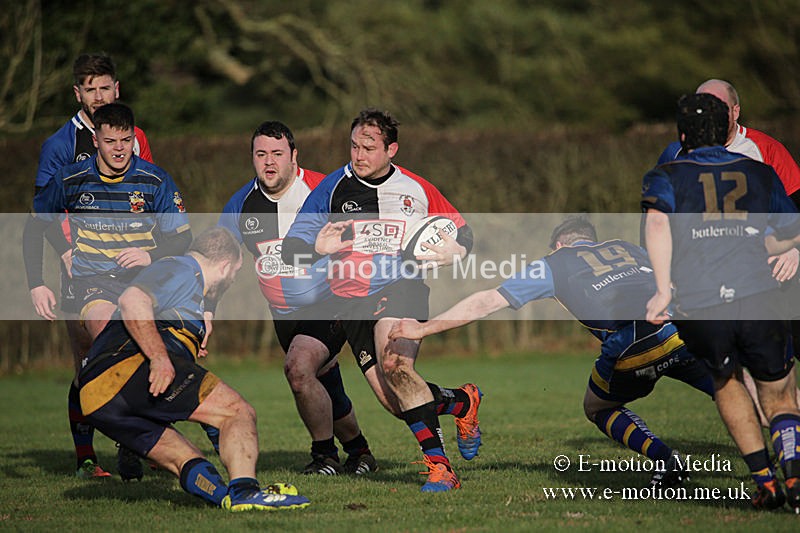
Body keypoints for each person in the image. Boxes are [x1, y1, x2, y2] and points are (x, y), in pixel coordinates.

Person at [389, 216, 715, 488]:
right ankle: (765, 462)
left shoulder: (555, 263)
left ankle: (665, 458)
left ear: (560, 244)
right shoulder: (630, 248)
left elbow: (488, 301)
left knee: (598, 407)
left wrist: (421, 328)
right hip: (680, 332)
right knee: (730, 388)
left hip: (631, 346)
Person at [282, 108, 482, 492]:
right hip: (346, 300)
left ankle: (440, 470)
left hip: (400, 288)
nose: (358, 155)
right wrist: (316, 249)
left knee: (396, 367)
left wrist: (456, 251)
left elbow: (462, 233)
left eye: (369, 148)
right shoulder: (332, 188)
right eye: (354, 146)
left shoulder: (418, 189)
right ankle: (461, 402)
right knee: (395, 402)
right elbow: (292, 249)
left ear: (392, 149)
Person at [77, 226, 310, 511]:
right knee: (239, 412)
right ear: (225, 266)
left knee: (181, 456)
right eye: (236, 271)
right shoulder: (182, 268)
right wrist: (160, 358)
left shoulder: (190, 292)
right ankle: (246, 492)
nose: (233, 279)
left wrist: (186, 342)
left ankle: (225, 500)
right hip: (126, 370)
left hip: (97, 398)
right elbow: (132, 300)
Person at [643, 93, 800, 512]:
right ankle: (795, 469)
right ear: (727, 126)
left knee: (726, 381)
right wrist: (769, 243)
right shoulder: (760, 172)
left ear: (680, 135)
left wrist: (662, 289)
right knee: (781, 394)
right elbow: (790, 229)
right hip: (759, 297)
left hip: (701, 304)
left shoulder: (666, 174)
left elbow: (657, 223)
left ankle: (765, 481)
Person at [23, 102, 193, 480]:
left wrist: (151, 253)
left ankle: (134, 442)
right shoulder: (71, 179)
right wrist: (37, 283)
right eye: (111, 140)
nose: (119, 148)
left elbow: (182, 239)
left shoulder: (154, 180)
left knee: (139, 358)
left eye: (127, 140)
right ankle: (95, 453)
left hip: (141, 287)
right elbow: (34, 226)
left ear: (135, 139)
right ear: (95, 140)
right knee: (101, 346)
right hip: (89, 284)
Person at [218, 121, 377, 475]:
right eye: (261, 154)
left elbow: (367, 235)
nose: (269, 162)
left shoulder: (325, 189)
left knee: (299, 369)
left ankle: (324, 457)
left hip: (331, 302)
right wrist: (205, 312)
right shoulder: (241, 204)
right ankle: (359, 451)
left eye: (277, 154)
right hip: (283, 313)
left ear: (294, 156)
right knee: (323, 386)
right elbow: (219, 261)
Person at [25, 53, 154, 479]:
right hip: (82, 269)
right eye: (90, 89)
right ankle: (86, 458)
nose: (98, 97)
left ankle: (132, 445)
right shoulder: (60, 145)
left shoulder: (135, 135)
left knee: (134, 349)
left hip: (132, 266)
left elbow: (146, 194)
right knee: (88, 360)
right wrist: (63, 251)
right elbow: (43, 210)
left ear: (117, 89)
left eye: (105, 88)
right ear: (77, 93)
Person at [657, 78, 800, 422]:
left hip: (776, 266)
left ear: (735, 111)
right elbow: (662, 222)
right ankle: (782, 435)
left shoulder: (765, 149)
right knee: (738, 369)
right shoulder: (674, 155)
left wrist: (795, 252)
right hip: (711, 279)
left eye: (717, 106)